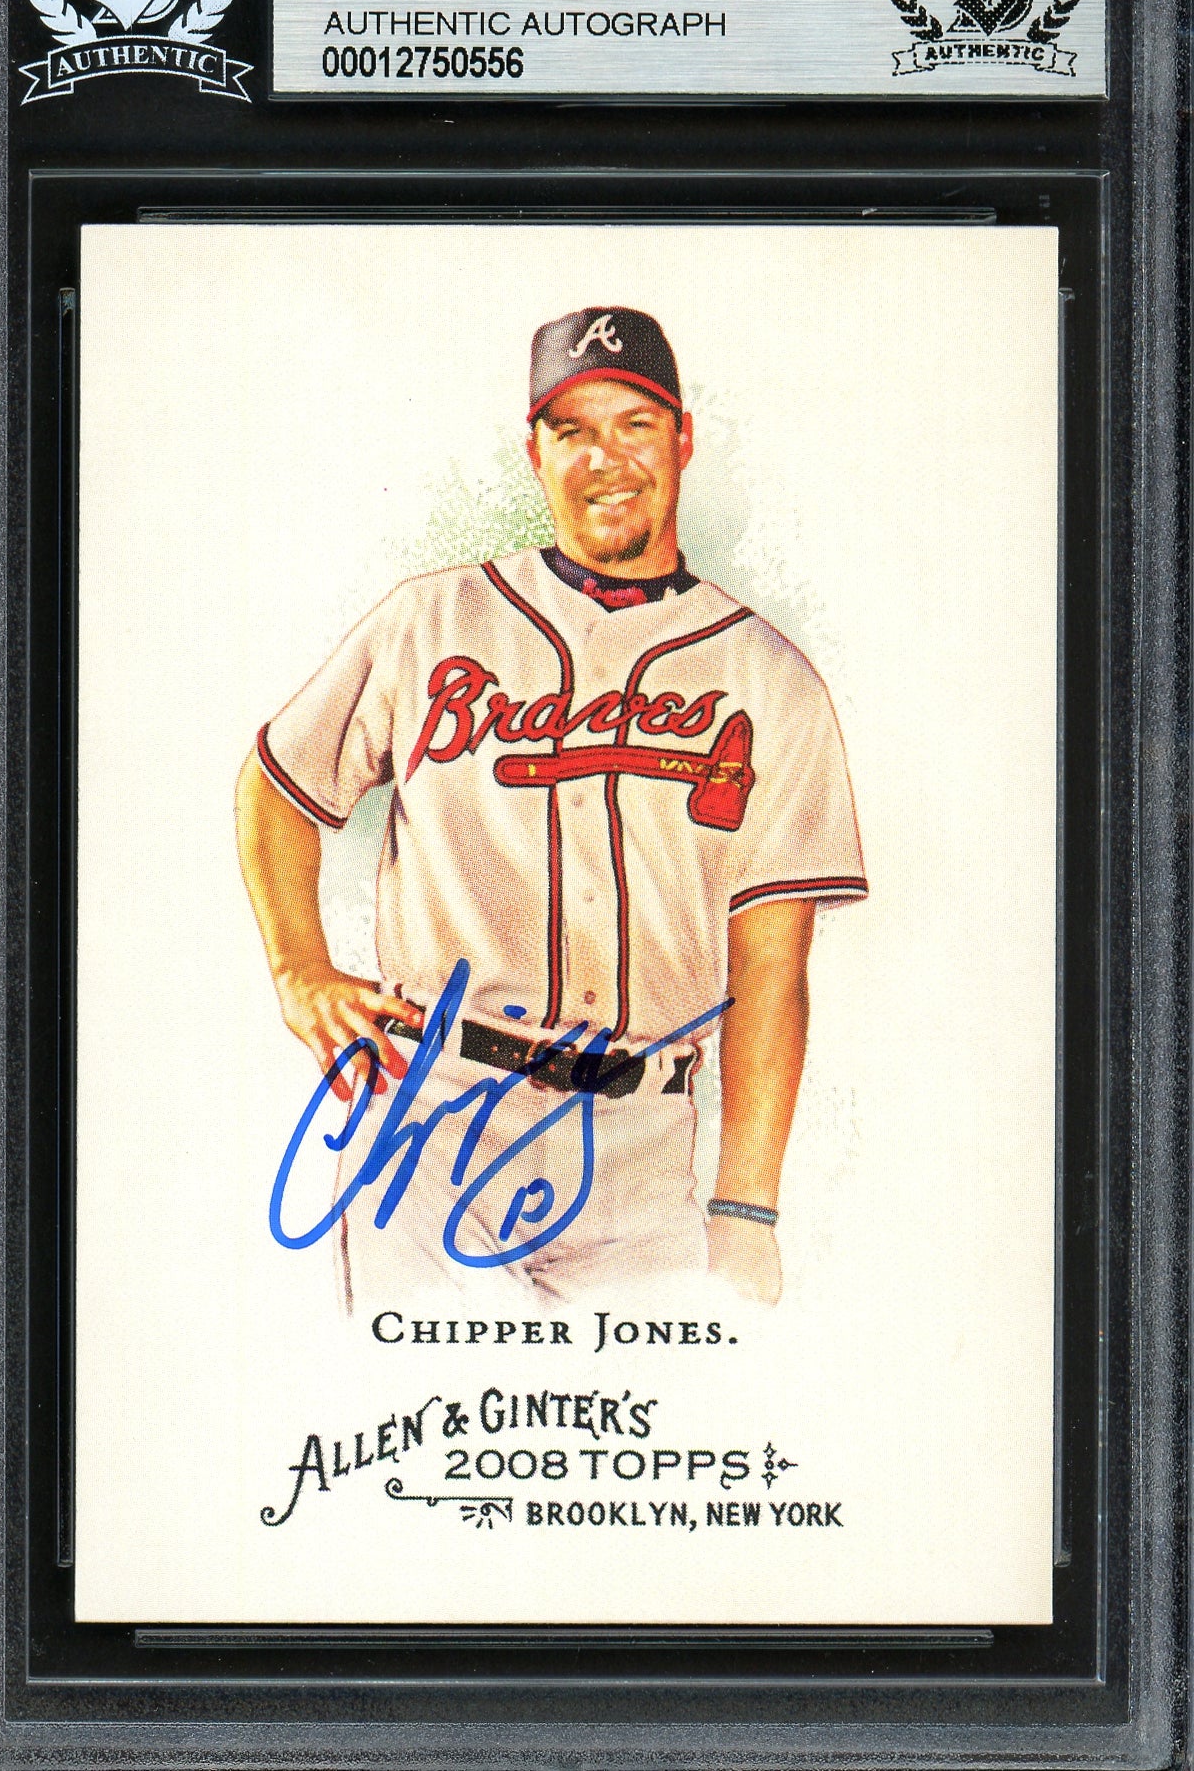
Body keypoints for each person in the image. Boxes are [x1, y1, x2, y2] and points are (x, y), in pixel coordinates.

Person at [235, 306, 866, 1306]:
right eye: (572, 430)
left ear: (683, 439)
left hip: (640, 1140)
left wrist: (746, 1210)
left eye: (634, 425)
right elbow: (277, 784)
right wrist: (297, 968)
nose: (605, 459)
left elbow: (770, 968)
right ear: (534, 453)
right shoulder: (431, 619)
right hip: (432, 1108)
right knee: (411, 1394)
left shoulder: (769, 679)